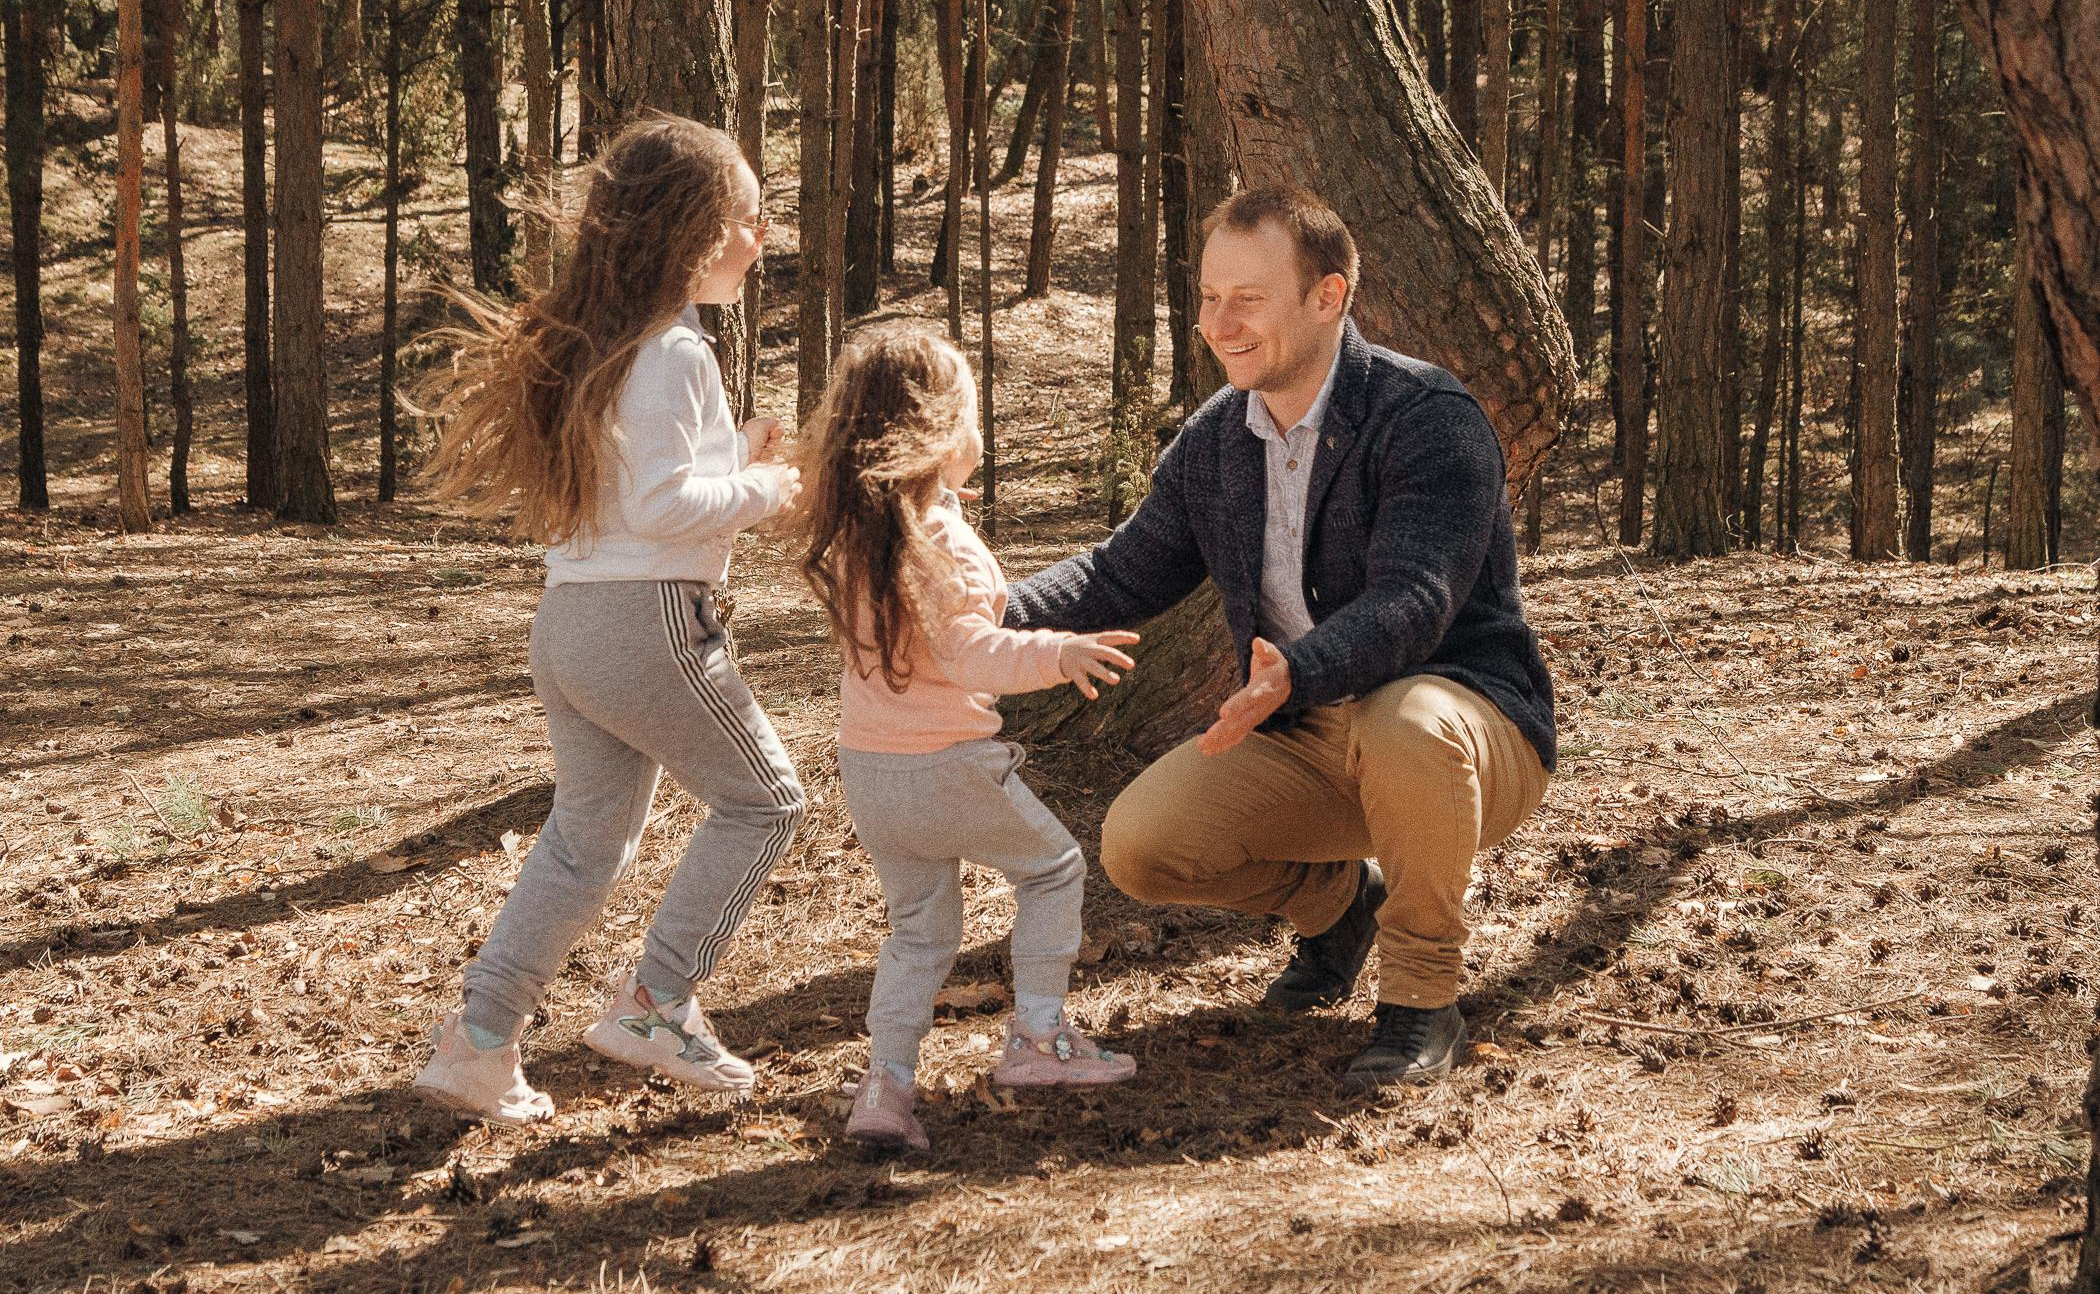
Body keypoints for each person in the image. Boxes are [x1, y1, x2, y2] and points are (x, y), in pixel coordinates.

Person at [1004, 187, 1556, 1087]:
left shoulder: (1428, 417)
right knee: (1141, 843)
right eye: (1210, 296)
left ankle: (1424, 1000)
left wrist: (1297, 670)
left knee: (1405, 722)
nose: (1220, 322)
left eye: (1248, 299)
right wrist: (974, 613)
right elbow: (1116, 576)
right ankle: (1340, 909)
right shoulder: (1217, 441)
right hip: (1306, 736)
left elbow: (1416, 600)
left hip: (1464, 733)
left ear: (1328, 298)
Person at [409, 116, 806, 1125]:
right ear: (697, 232)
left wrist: (737, 458)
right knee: (767, 802)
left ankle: (478, 1044)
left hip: (572, 623)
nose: (763, 239)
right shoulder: (675, 351)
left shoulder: (615, 347)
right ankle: (658, 1001)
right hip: (648, 624)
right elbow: (669, 510)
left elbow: (646, 489)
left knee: (586, 842)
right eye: (750, 219)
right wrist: (768, 484)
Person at [798, 325, 1142, 1154]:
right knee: (1054, 868)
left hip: (870, 772)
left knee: (920, 927)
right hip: (948, 765)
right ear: (940, 435)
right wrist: (1060, 652)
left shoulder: (860, 536)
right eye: (973, 417)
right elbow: (971, 652)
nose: (980, 438)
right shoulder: (941, 544)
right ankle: (1037, 1038)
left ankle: (886, 1085)